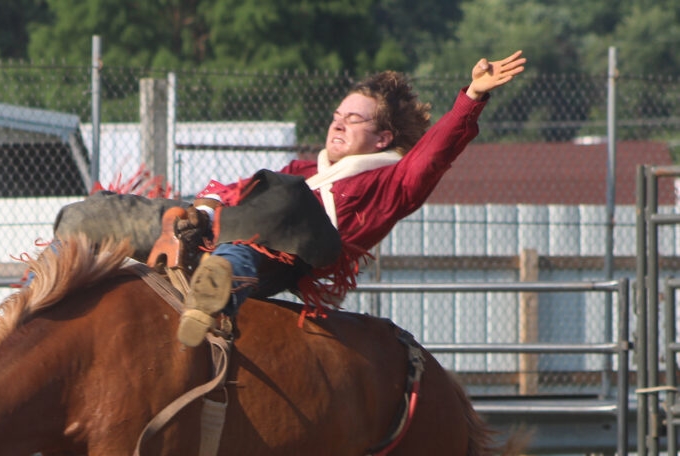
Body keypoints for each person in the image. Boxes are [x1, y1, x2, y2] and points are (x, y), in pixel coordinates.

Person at [176, 50, 527, 347]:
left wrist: (472, 98)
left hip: (291, 255)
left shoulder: (391, 183)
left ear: (382, 138)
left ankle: (214, 297)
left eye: (354, 119)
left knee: (262, 226)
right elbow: (241, 196)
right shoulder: (302, 169)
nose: (339, 125)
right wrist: (205, 208)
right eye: (337, 117)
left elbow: (432, 155)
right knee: (169, 214)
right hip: (231, 230)